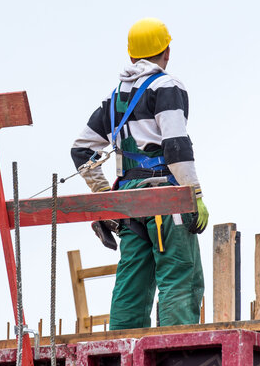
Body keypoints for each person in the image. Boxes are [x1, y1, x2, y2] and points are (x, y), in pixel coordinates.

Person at [71, 17, 209, 330]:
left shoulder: (114, 99)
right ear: (167, 51)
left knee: (132, 283)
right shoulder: (166, 87)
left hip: (129, 202)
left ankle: (121, 358)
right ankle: (179, 355)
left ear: (132, 56)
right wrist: (194, 194)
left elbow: (81, 150)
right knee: (179, 277)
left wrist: (106, 198)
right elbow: (175, 146)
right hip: (165, 197)